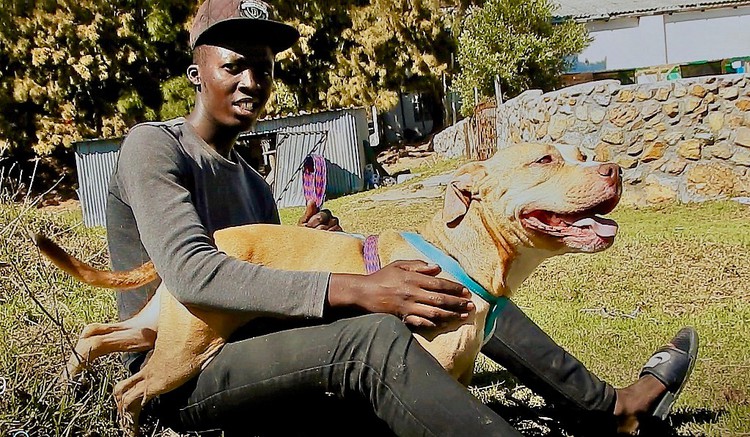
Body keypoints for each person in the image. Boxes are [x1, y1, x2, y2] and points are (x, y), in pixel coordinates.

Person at [105, 0, 697, 435]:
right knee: (374, 338)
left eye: (264, 67)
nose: (252, 80)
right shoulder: (153, 147)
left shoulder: (254, 180)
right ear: (196, 74)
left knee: (459, 288)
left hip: (256, 346)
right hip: (180, 370)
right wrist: (357, 286)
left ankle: (608, 409)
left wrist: (325, 248)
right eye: (235, 64)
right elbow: (192, 274)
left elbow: (270, 279)